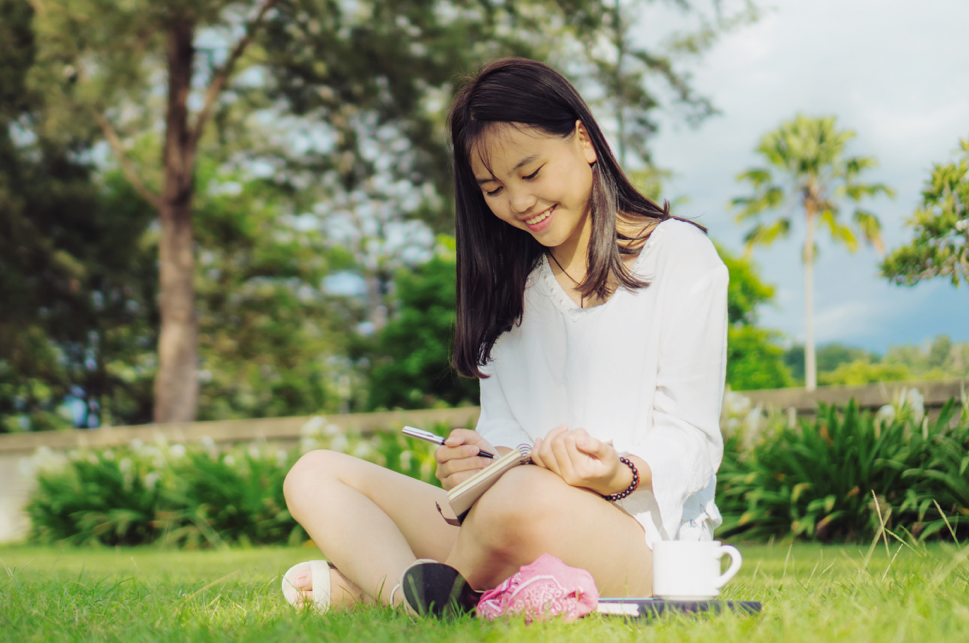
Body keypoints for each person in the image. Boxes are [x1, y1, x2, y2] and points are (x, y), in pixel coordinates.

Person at [281, 57, 727, 615]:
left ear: (584, 140)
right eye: (492, 188)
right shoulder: (514, 291)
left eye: (531, 172)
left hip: (640, 542)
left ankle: (402, 585)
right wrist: (479, 460)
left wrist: (617, 471)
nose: (518, 203)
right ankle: (415, 602)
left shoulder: (679, 255)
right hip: (506, 520)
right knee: (315, 472)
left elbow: (693, 439)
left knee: (521, 499)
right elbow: (507, 440)